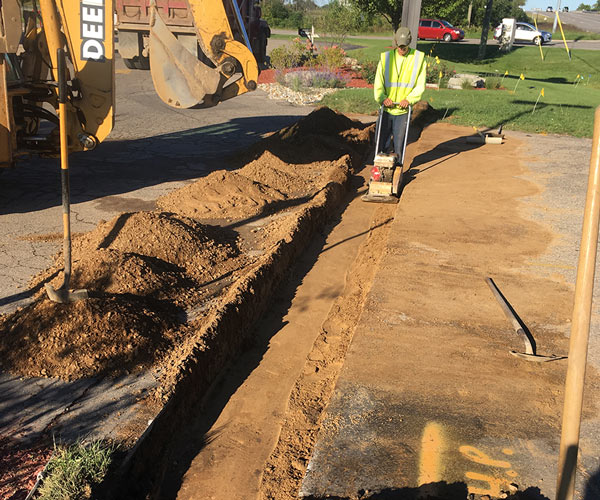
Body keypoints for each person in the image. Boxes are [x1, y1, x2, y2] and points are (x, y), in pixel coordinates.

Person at [373, 27, 426, 159]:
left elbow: (420, 85)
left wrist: (409, 100)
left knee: (399, 145)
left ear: (409, 43)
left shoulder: (418, 59)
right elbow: (378, 82)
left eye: (404, 46)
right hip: (387, 108)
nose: (402, 49)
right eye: (399, 46)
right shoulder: (386, 58)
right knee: (380, 142)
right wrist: (382, 98)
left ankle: (398, 167)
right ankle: (380, 167)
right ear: (395, 42)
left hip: (403, 110)